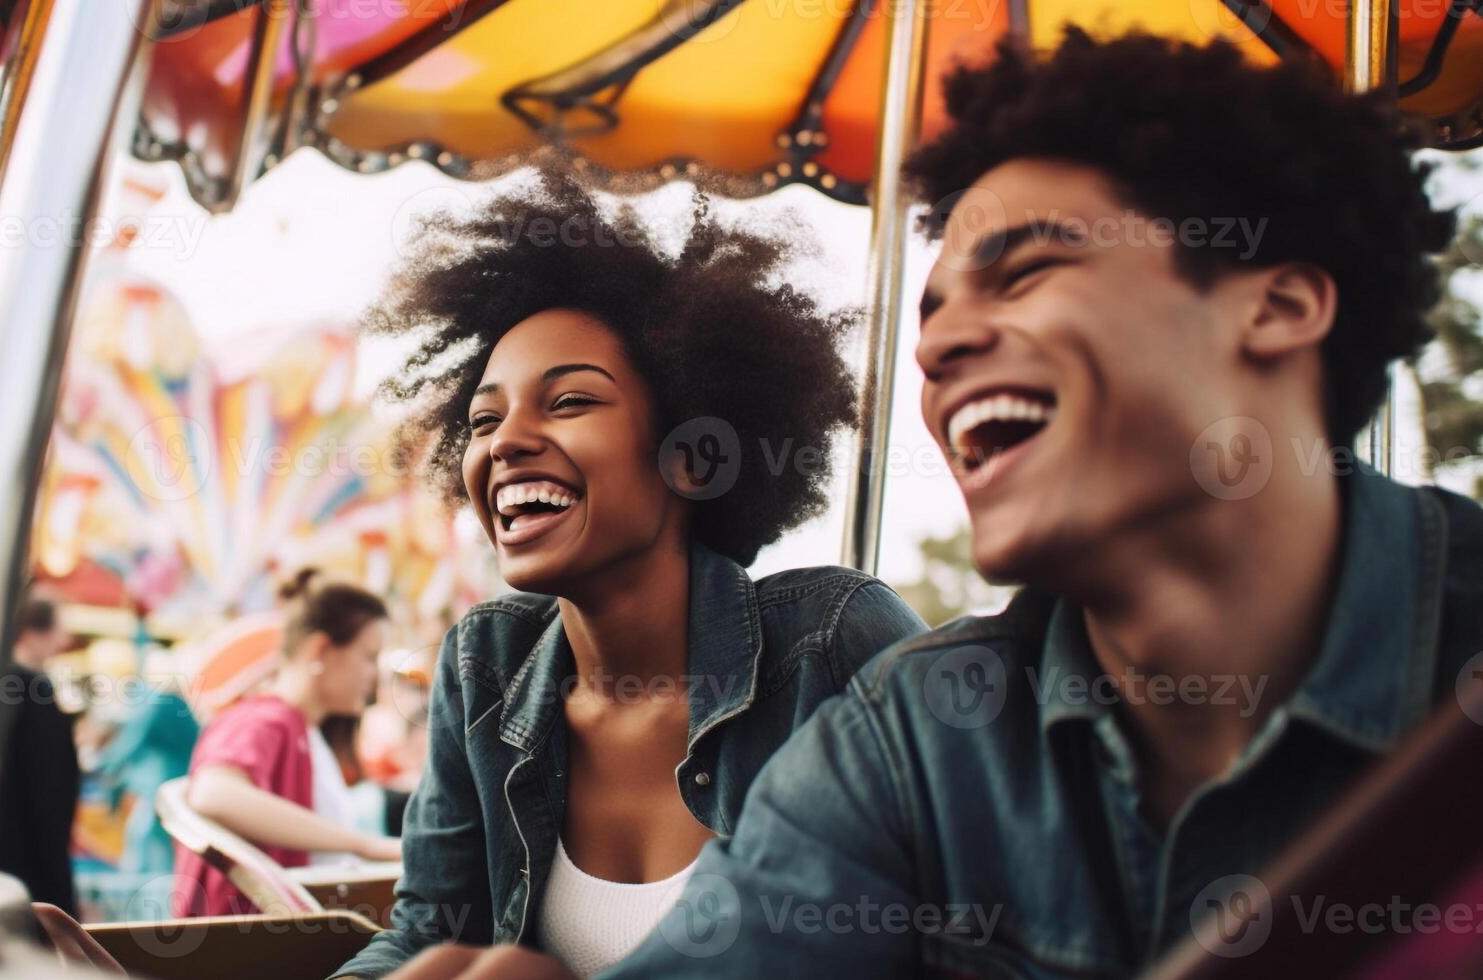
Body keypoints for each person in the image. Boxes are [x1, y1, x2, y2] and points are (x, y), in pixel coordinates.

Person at [386, 28, 1482, 979]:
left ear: (1277, 301)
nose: (939, 344)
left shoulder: (838, 650)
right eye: (933, 309)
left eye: (1026, 271)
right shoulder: (921, 731)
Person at [332, 171, 926, 979]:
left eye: (569, 401)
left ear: (693, 456)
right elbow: (425, 933)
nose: (506, 441)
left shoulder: (832, 642)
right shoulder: (484, 665)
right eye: (481, 420)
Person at [170, 571, 402, 917]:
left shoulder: (299, 729)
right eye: (368, 656)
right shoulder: (266, 719)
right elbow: (212, 793)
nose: (374, 674)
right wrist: (366, 846)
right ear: (321, 648)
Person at [0, 595, 81, 913]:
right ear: (31, 633)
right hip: (29, 845)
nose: (64, 641)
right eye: (57, 631)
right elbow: (46, 780)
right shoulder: (30, 690)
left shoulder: (1, 684)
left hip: (5, 841)